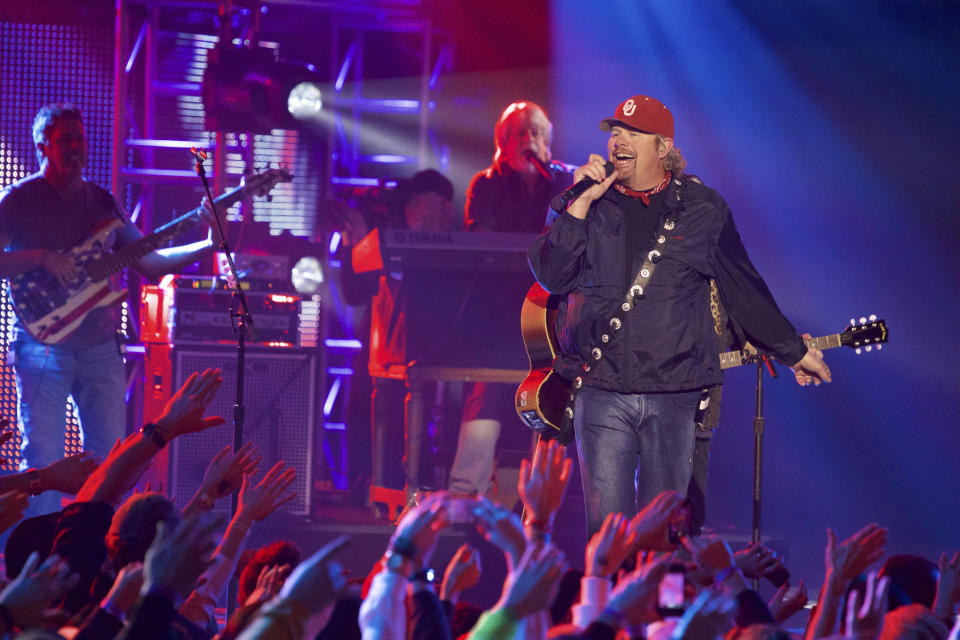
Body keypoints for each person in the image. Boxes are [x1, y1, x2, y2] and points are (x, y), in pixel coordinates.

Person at [528, 94, 831, 536]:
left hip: (675, 391)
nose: (618, 142)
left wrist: (792, 351)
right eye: (615, 133)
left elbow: (743, 287)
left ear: (663, 147)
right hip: (601, 388)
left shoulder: (703, 209)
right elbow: (552, 276)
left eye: (633, 134)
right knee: (607, 535)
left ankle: (655, 606)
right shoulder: (588, 205)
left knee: (662, 537)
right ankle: (607, 604)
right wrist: (578, 206)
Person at [0, 103, 214, 517]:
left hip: (100, 346)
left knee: (111, 455)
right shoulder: (19, 199)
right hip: (42, 344)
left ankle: (96, 544)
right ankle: (36, 553)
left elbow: (150, 262)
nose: (77, 148)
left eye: (80, 138)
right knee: (44, 458)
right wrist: (43, 257)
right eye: (66, 140)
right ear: (43, 145)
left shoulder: (102, 201)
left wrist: (209, 242)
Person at [448, 100, 573, 497]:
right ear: (503, 141)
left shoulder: (562, 182)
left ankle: (535, 495)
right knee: (487, 395)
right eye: (521, 132)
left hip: (547, 311)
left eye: (537, 132)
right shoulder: (486, 184)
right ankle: (465, 491)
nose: (530, 140)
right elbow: (482, 241)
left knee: (546, 396)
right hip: (498, 313)